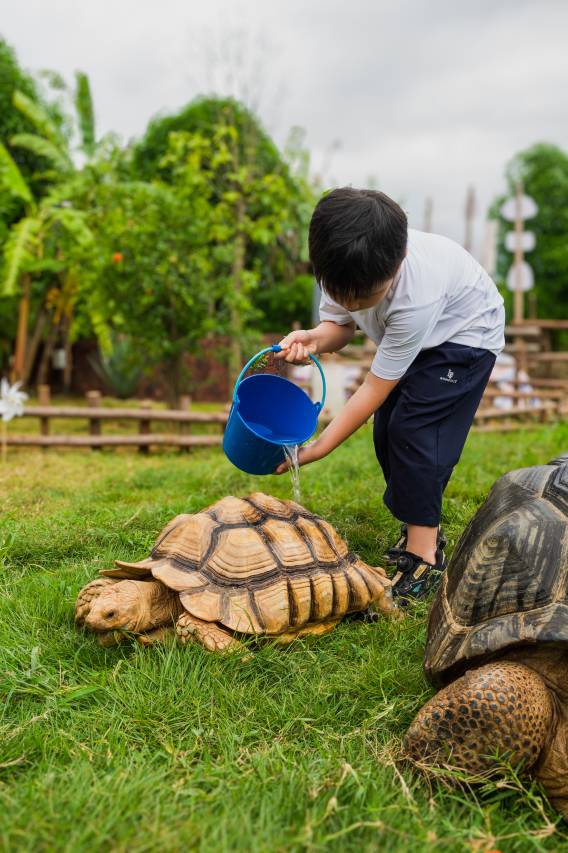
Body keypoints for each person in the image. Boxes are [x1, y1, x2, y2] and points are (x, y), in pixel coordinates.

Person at [275, 187, 505, 603]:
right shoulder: (343, 261)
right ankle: (421, 520)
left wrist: (320, 446)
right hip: (421, 338)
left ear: (399, 262)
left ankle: (425, 556)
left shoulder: (417, 294)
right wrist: (312, 338)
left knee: (415, 432)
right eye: (342, 294)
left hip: (465, 336)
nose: (351, 304)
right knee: (388, 432)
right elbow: (342, 328)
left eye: (365, 298)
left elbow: (373, 389)